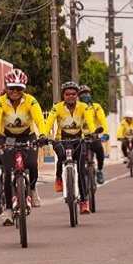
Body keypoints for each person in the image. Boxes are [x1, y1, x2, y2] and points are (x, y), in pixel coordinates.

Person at [0, 69, 47, 226]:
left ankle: (32, 189)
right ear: (6, 87)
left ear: (24, 89)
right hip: (6, 137)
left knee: (32, 165)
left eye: (19, 88)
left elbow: (40, 120)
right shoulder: (0, 102)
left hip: (28, 136)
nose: (15, 91)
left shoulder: (31, 101)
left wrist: (43, 135)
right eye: (11, 88)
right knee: (7, 172)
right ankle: (7, 209)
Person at [46, 81, 99, 214]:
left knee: (81, 170)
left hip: (78, 140)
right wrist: (43, 134)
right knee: (61, 156)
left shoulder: (83, 107)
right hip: (61, 140)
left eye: (73, 94)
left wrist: (93, 132)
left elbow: (89, 121)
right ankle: (59, 177)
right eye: (67, 94)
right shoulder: (56, 107)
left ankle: (84, 202)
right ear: (63, 95)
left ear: (77, 95)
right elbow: (49, 122)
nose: (70, 96)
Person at [78, 85, 110, 184]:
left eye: (87, 93)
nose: (85, 96)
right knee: (79, 157)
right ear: (79, 97)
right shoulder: (77, 108)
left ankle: (100, 170)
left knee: (100, 150)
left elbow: (102, 120)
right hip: (81, 137)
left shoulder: (96, 107)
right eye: (82, 94)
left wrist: (105, 133)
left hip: (94, 135)